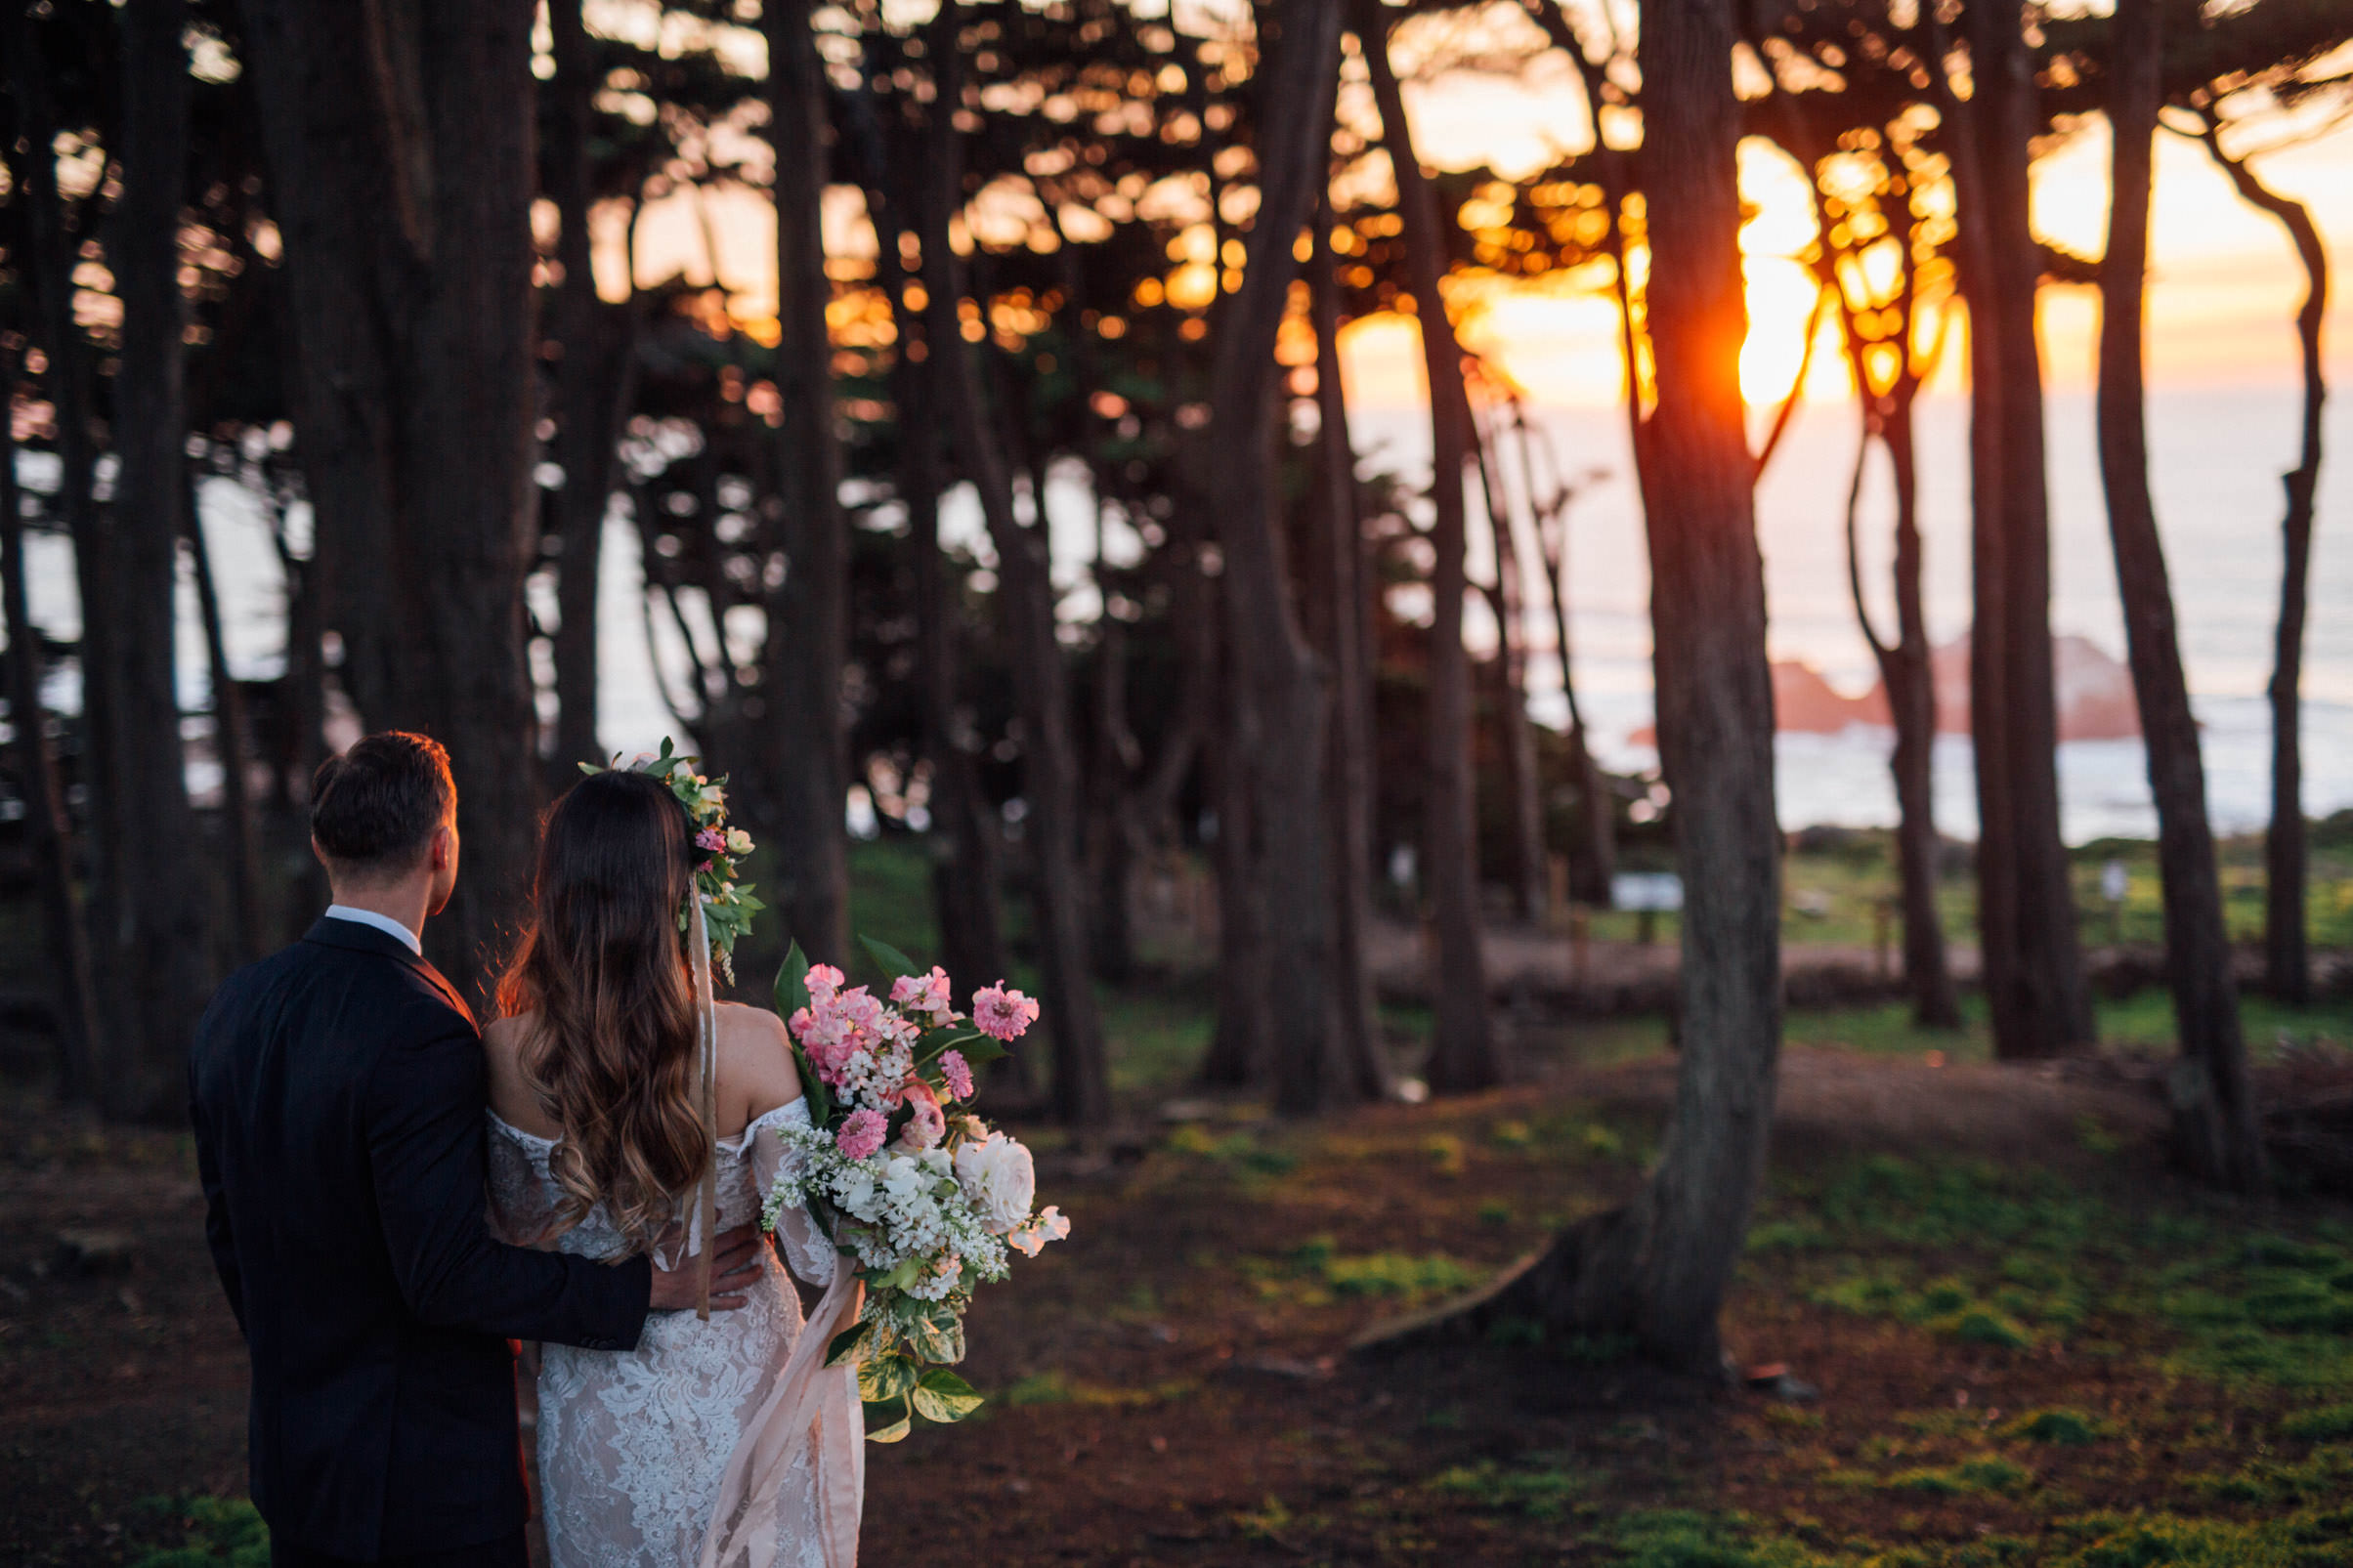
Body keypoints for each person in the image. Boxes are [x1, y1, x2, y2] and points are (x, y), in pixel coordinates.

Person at [190, 732, 766, 1568]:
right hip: (423, 1475)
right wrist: (646, 1287)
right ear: (442, 847)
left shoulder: (237, 1005)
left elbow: (227, 1230)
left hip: (296, 1454)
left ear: (321, 844)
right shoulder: (423, 1025)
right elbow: (449, 1271)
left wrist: (302, 1366)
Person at [481, 763, 857, 1568]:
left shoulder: (506, 1055)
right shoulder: (753, 1043)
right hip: (743, 1390)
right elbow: (820, 1252)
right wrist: (887, 1146)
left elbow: (510, 1237)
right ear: (681, 892)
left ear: (554, 893)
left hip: (595, 1401)